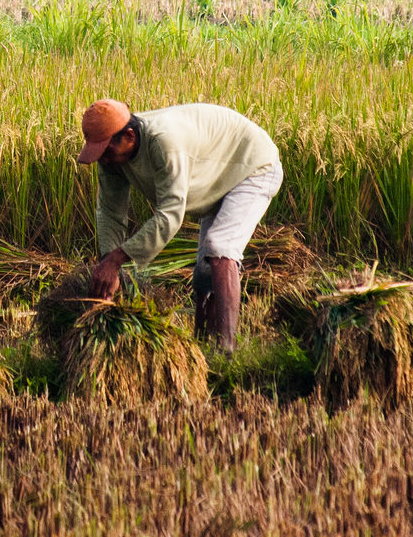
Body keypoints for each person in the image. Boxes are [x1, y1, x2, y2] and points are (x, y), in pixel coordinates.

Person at [76, 98, 282, 353]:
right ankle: (202, 349)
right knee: (205, 271)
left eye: (106, 151)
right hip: (214, 178)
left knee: (220, 246)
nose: (103, 159)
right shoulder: (111, 160)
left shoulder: (164, 143)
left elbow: (170, 216)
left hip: (252, 166)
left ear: (129, 136)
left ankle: (226, 351)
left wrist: (116, 261)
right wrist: (108, 263)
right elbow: (110, 210)